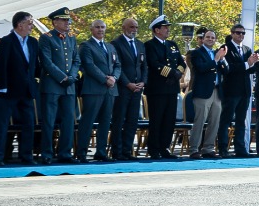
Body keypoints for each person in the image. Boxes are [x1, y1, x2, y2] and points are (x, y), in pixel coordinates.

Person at [0, 11, 41, 165]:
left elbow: (35, 64)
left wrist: (36, 81)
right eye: (29, 23)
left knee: (29, 124)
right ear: (20, 25)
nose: (31, 26)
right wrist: (2, 87)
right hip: (10, 90)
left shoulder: (33, 42)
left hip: (27, 89)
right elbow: (1, 65)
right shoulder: (7, 41)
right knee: (3, 123)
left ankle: (26, 156)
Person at [38, 7, 79, 163]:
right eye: (64, 20)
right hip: (52, 85)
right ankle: (47, 154)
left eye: (68, 20)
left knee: (68, 121)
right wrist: (63, 77)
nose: (67, 22)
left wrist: (72, 76)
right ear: (55, 22)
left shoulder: (71, 38)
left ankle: (65, 153)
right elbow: (47, 62)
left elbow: (76, 60)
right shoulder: (46, 38)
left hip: (69, 87)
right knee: (49, 121)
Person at [76, 18, 120, 161]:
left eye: (102, 27)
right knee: (88, 122)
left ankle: (101, 152)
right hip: (94, 89)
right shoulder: (86, 46)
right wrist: (105, 79)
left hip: (110, 90)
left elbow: (118, 65)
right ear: (91, 29)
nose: (100, 30)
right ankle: (81, 152)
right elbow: (89, 66)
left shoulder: (110, 47)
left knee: (106, 122)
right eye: (97, 27)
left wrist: (114, 77)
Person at [143, 17, 185, 159]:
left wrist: (177, 72)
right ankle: (154, 149)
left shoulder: (172, 45)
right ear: (157, 30)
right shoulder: (150, 45)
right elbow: (155, 64)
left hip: (172, 88)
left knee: (169, 120)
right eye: (165, 27)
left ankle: (164, 147)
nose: (168, 30)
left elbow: (181, 62)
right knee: (157, 119)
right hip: (157, 89)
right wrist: (172, 73)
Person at [111, 18, 148, 160]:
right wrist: (128, 83)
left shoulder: (139, 44)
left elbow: (144, 66)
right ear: (124, 28)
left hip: (137, 88)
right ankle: (117, 152)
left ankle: (127, 151)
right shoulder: (116, 44)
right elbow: (117, 66)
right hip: (123, 89)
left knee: (132, 121)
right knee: (119, 120)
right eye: (132, 27)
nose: (134, 29)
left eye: (136, 27)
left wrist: (143, 82)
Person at [187, 28, 227, 158]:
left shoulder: (217, 53)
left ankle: (208, 148)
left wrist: (222, 60)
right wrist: (215, 60)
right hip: (203, 92)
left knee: (215, 121)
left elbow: (226, 70)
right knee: (200, 120)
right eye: (208, 37)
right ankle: (194, 149)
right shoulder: (196, 53)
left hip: (216, 91)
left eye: (213, 38)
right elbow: (201, 68)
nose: (210, 39)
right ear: (203, 39)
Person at [217, 24, 253, 157]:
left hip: (244, 90)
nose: (241, 35)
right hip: (231, 90)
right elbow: (228, 69)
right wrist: (246, 64)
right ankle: (223, 148)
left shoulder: (246, 49)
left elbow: (251, 69)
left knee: (241, 121)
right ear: (232, 33)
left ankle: (240, 148)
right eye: (238, 33)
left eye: (243, 33)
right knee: (226, 120)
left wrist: (254, 62)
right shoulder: (225, 48)